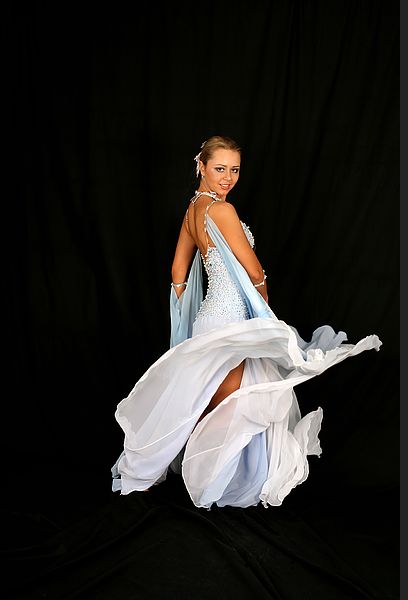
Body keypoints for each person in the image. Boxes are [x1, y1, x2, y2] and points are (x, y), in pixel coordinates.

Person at [111, 135, 382, 509]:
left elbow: (177, 272)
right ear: (201, 166)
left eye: (234, 170)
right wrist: (262, 305)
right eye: (219, 168)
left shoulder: (193, 210)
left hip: (210, 318)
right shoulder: (223, 211)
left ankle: (186, 475)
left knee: (207, 401)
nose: (227, 177)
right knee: (230, 404)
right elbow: (253, 269)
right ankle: (206, 485)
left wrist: (188, 311)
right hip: (231, 320)